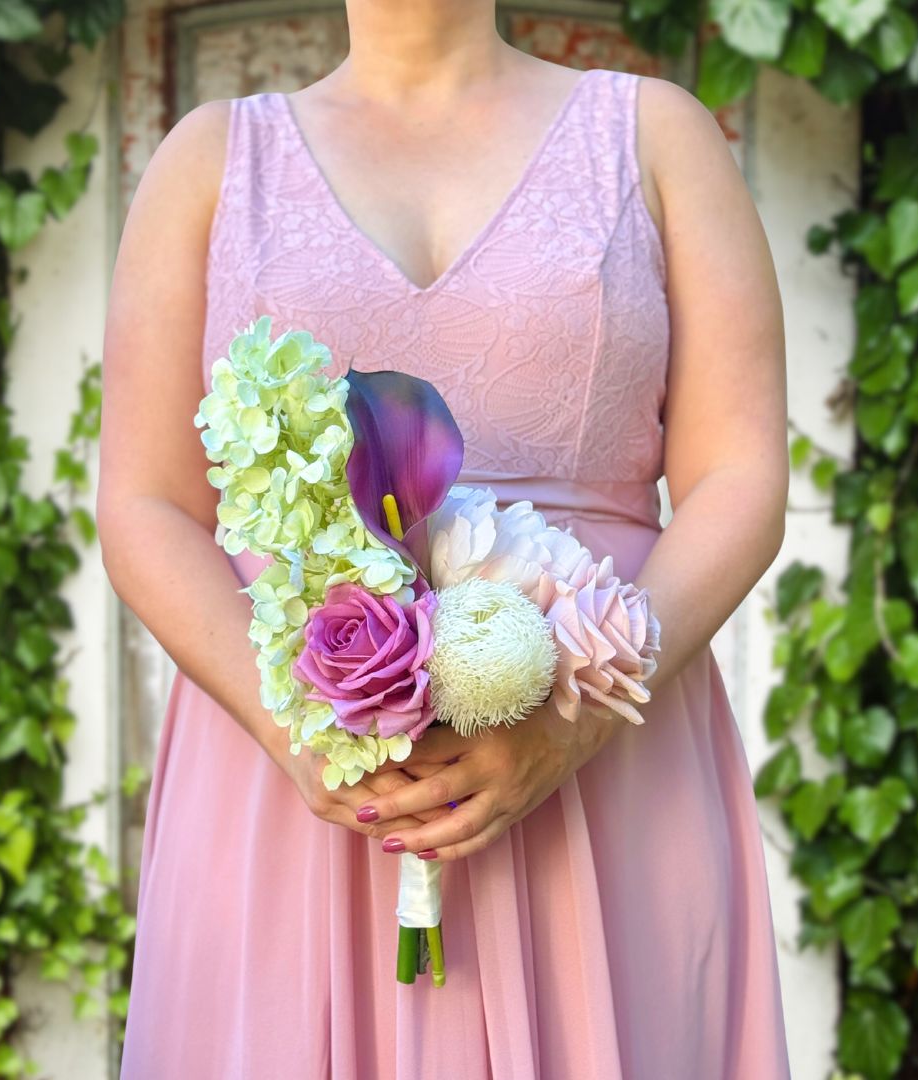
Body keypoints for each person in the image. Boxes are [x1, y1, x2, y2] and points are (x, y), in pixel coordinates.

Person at [98, 1, 793, 1076]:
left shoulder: (656, 137)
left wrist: (578, 723)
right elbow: (145, 504)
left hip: (603, 765)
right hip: (296, 786)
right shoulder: (209, 161)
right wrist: (300, 734)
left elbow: (739, 474)